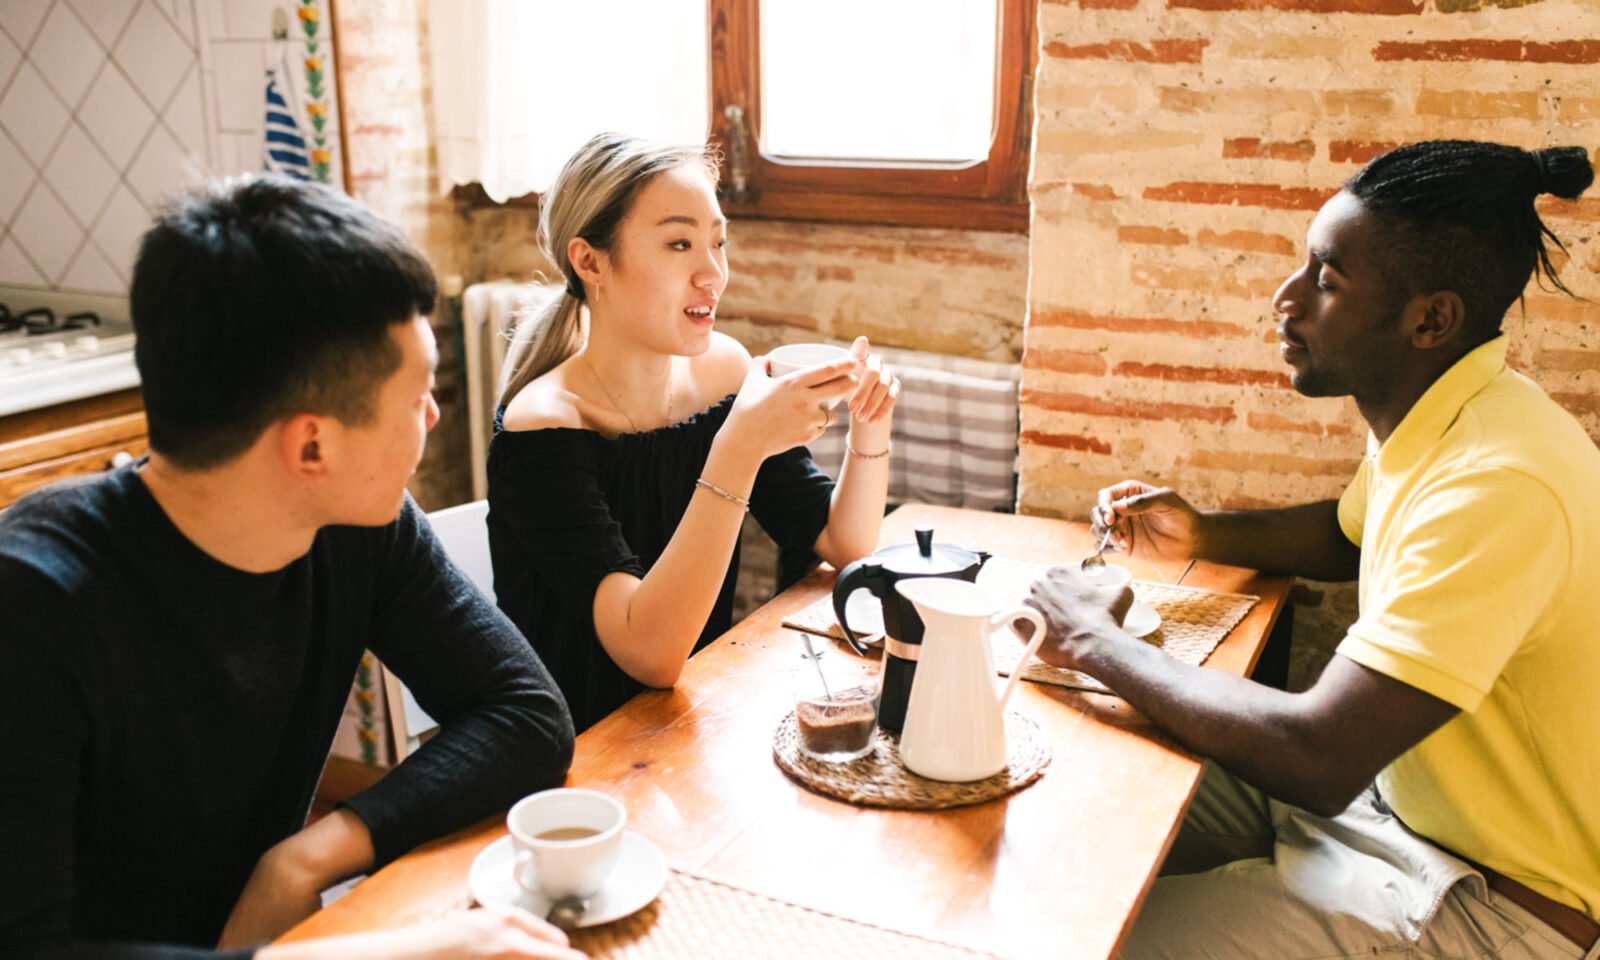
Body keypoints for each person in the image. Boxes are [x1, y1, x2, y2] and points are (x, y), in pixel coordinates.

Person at [1026, 141, 1599, 958]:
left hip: (1491, 903)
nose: (1284, 298)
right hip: (1384, 810)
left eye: (1327, 281)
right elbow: (1348, 530)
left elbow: (1319, 752)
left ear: (1429, 319)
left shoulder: (1499, 485)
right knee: (1078, 786)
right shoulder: (1451, 411)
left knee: (1094, 942)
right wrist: (1205, 533)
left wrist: (1095, 640)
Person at [0, 175, 583, 960]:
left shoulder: (353, 526)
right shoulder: (34, 604)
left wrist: (305, 855)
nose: (435, 416)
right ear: (312, 446)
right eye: (416, 397)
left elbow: (526, 715)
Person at [488, 133, 901, 731]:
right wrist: (741, 445)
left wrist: (871, 421)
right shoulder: (543, 428)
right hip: (576, 753)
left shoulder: (724, 372)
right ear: (590, 261)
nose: (713, 274)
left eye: (718, 241)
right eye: (679, 244)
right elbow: (649, 654)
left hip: (688, 719)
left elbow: (845, 543)